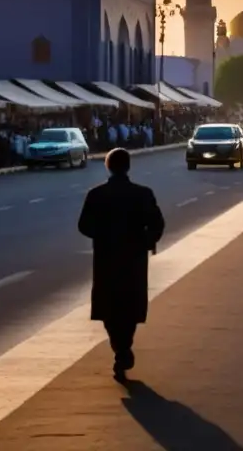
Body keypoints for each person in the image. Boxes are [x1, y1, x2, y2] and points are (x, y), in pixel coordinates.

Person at [78, 148, 165, 382]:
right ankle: (124, 346)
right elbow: (157, 224)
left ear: (107, 166)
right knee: (130, 305)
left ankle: (120, 348)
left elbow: (84, 226)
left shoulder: (96, 194)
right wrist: (145, 241)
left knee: (109, 307)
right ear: (128, 167)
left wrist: (105, 236)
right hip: (133, 259)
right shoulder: (143, 194)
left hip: (107, 258)